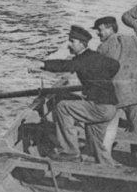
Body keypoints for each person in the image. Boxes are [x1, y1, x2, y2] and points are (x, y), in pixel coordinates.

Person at [41, 25, 120, 164]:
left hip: (100, 108)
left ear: (82, 44)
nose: (69, 45)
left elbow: (64, 66)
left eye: (72, 41)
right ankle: (109, 168)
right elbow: (114, 65)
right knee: (95, 143)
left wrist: (42, 64)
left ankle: (70, 153)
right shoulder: (95, 56)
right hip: (111, 107)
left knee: (62, 106)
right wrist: (97, 83)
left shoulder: (82, 60)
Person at [93, 16, 137, 170]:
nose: (98, 33)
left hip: (115, 95)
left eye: (100, 30)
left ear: (110, 29)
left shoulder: (103, 48)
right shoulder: (133, 40)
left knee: (108, 129)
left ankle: (104, 166)